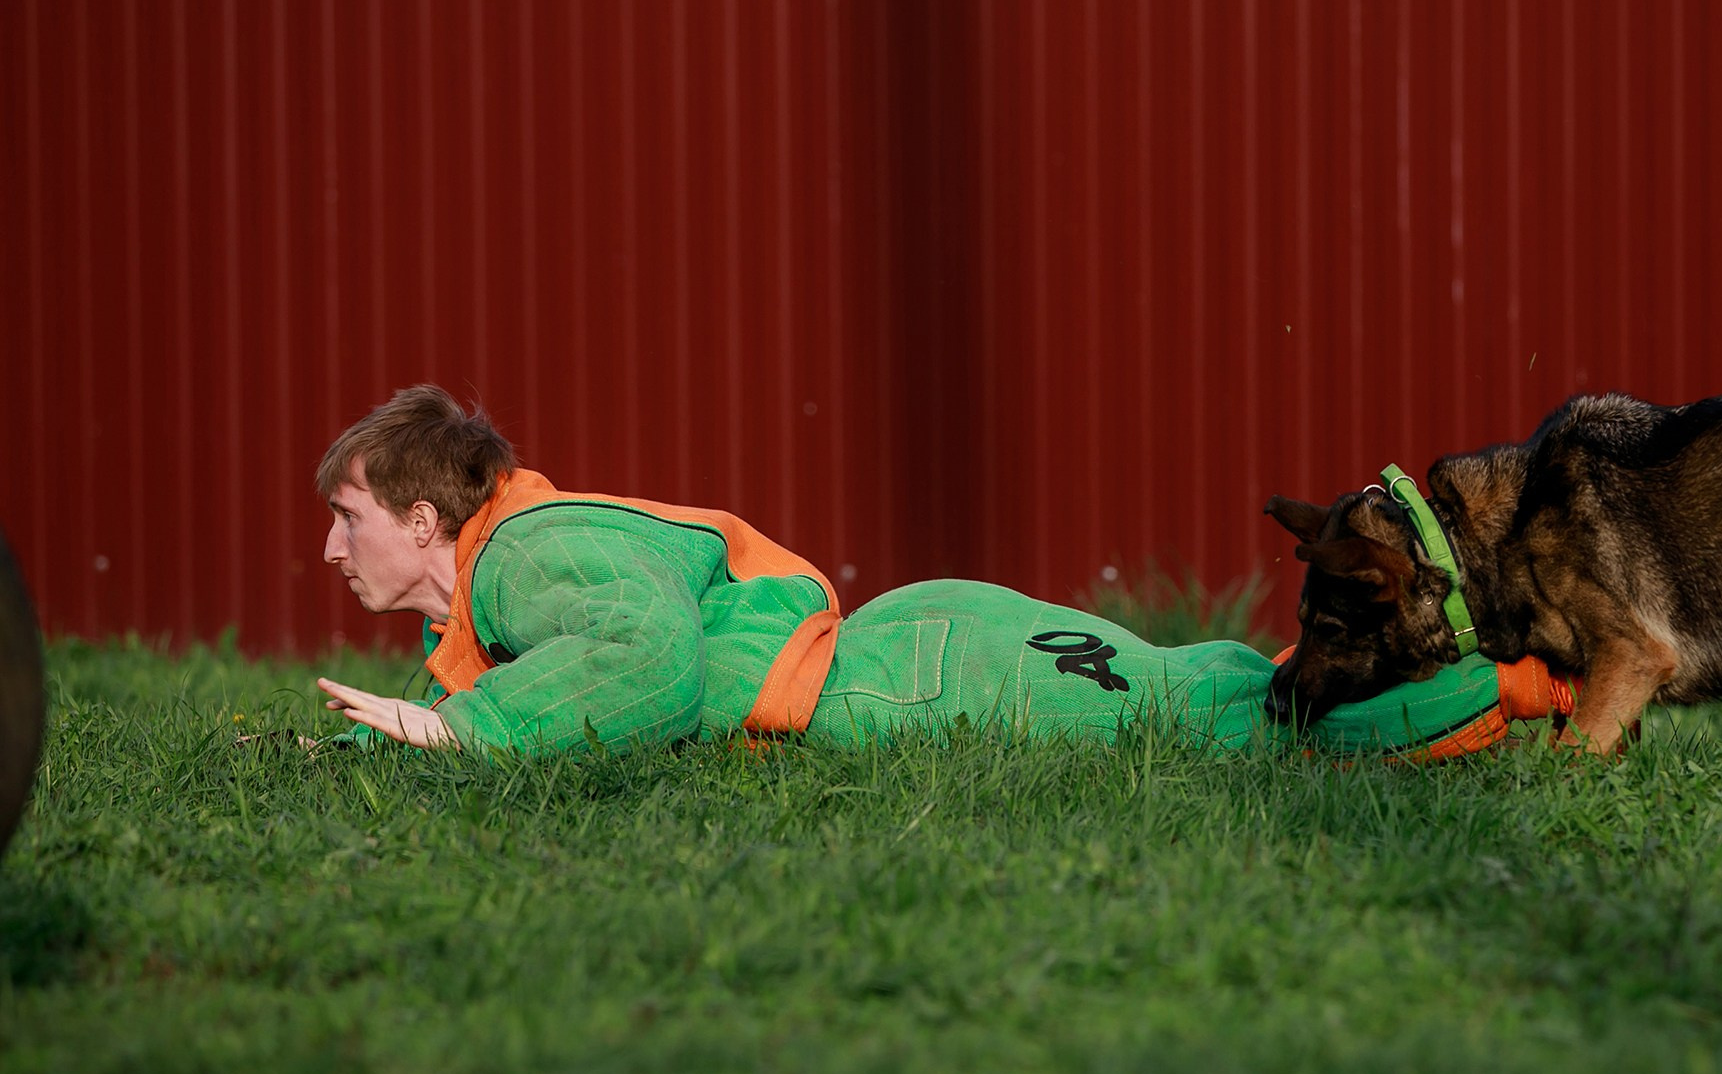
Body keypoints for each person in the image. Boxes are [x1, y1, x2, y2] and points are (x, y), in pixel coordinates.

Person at [308, 387, 1569, 758]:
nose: (330, 546)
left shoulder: (529, 554)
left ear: (427, 521)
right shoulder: (515, 563)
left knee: (1219, 727)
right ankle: (1464, 684)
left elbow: (645, 664)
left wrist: (457, 734)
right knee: (1207, 679)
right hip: (916, 647)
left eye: (350, 514)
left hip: (902, 682)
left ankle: (1494, 691)